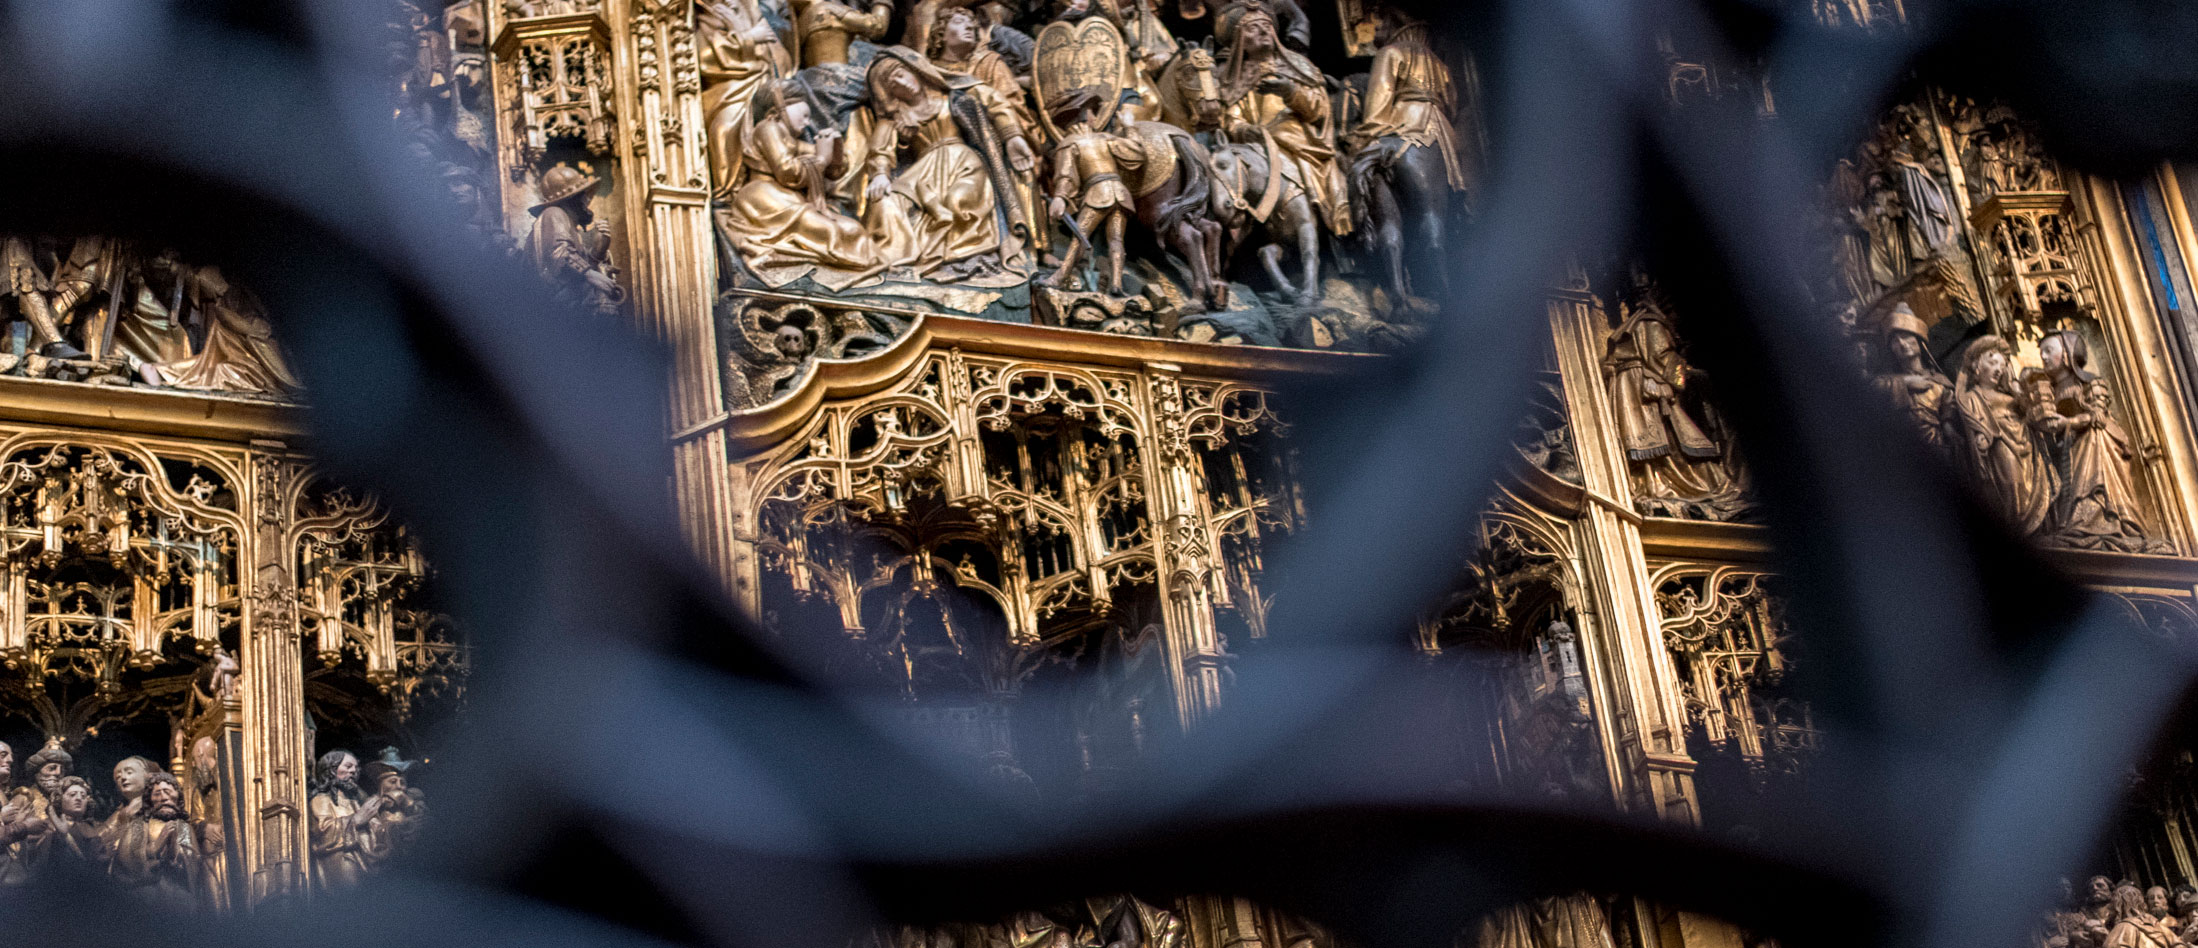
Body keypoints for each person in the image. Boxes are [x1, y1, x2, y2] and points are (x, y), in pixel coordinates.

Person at [860, 47, 1036, 278]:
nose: (902, 84)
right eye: (893, 84)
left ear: (917, 70)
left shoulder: (954, 95)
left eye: (902, 74)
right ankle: (899, 262)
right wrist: (882, 172)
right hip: (923, 172)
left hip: (964, 163)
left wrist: (1013, 137)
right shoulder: (897, 118)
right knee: (884, 203)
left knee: (957, 203)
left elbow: (996, 103)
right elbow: (879, 150)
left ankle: (958, 260)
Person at [719, 78, 892, 288]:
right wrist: (821, 159)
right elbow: (787, 172)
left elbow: (833, 170)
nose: (808, 122)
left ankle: (855, 266)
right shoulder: (768, 128)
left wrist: (835, 149)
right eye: (805, 115)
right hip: (761, 197)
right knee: (827, 231)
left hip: (788, 198)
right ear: (782, 108)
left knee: (854, 229)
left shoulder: (794, 140)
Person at [1215, 3, 1346, 234]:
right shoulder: (1233, 79)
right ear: (1239, 40)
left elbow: (1320, 111)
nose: (1264, 31)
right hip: (1257, 147)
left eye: (1267, 26)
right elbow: (1230, 118)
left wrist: (1290, 92)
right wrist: (1245, 130)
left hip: (1301, 145)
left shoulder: (1298, 65)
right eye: (1253, 28)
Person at [2032, 329, 2156, 551]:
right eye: (2041, 352)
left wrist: (2066, 423)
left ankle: (2098, 517)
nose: (2043, 357)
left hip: (2098, 442)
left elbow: (2097, 417)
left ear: (2068, 353)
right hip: (2068, 447)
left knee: (2093, 439)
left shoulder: (2091, 383)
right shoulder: (2047, 391)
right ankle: (2074, 519)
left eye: (2049, 351)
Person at [1943, 335, 2056, 537]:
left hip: (2026, 445)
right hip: (2000, 444)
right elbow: (1971, 421)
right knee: (2011, 482)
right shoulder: (1971, 397)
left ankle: (2036, 530)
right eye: (1992, 362)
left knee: (2029, 482)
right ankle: (2014, 528)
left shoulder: (2010, 396)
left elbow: (2030, 415)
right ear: (1976, 365)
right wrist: (1980, 434)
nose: (1998, 369)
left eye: (2002, 365)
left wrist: (2019, 393)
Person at [1041, 90, 1141, 295]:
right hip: (1120, 193)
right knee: (1115, 239)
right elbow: (1137, 153)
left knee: (1080, 234)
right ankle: (1116, 284)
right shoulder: (1106, 138)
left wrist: (1060, 198)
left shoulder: (1068, 144)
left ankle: (1060, 277)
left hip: (1098, 193)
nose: (1096, 117)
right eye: (1093, 112)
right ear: (1084, 114)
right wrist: (1129, 128)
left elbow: (1066, 176)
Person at [526, 165, 625, 315]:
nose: (588, 200)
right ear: (572, 198)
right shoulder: (553, 213)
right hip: (553, 308)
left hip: (568, 307)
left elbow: (575, 277)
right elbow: (559, 253)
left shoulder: (572, 230)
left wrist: (597, 252)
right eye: (583, 194)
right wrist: (593, 275)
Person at [108, 772, 201, 911]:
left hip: (177, 893)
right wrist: (156, 846)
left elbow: (192, 861)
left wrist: (175, 858)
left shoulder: (184, 827)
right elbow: (126, 861)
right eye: (157, 793)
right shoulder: (138, 825)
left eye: (168, 792)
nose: (163, 798)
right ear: (150, 799)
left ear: (177, 797)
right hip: (146, 891)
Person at [1869, 303, 1951, 448]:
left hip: (1940, 450)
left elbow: (1953, 414)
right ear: (1891, 350)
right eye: (1895, 340)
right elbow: (1871, 392)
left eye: (1906, 336)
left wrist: (1948, 425)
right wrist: (1905, 382)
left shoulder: (1940, 381)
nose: (1902, 343)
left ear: (1919, 341)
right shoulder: (1885, 381)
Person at [308, 749, 377, 890]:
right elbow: (322, 831)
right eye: (348, 766)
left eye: (356, 768)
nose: (353, 771)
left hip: (365, 861)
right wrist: (356, 820)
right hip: (341, 862)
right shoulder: (321, 800)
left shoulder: (356, 802)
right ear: (331, 770)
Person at [2105, 883, 2177, 948]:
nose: (2155, 901)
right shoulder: (2157, 926)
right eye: (2151, 898)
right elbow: (2179, 944)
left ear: (2117, 905)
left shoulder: (2123, 927)